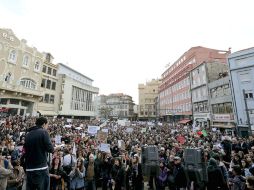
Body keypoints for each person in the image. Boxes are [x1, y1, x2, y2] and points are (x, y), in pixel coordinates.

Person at [24, 117, 54, 190]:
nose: (47, 127)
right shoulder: (44, 132)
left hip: (29, 169)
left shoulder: (28, 134)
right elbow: (50, 149)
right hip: (41, 169)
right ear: (44, 124)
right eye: (47, 125)